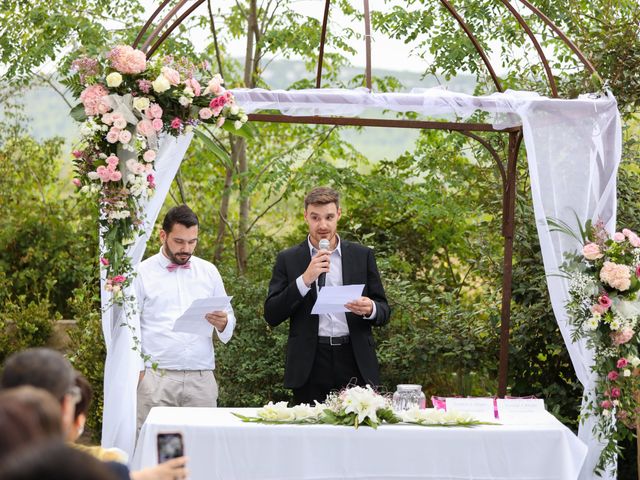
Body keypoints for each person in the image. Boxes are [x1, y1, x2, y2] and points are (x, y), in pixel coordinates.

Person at [264, 187, 391, 405]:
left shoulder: (362, 256)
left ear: (339, 215)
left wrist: (371, 309)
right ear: (306, 217)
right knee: (309, 435)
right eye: (315, 218)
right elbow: (272, 314)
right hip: (310, 363)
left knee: (356, 434)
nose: (322, 225)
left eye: (329, 217)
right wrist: (305, 279)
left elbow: (384, 310)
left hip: (354, 358)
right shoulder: (289, 259)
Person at [135, 204, 236, 430]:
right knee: (157, 448)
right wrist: (141, 373)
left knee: (203, 446)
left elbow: (228, 315)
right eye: (179, 241)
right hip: (156, 378)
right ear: (163, 235)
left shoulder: (208, 271)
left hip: (201, 378)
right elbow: (131, 326)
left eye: (192, 242)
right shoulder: (142, 273)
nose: (186, 249)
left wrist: (224, 322)